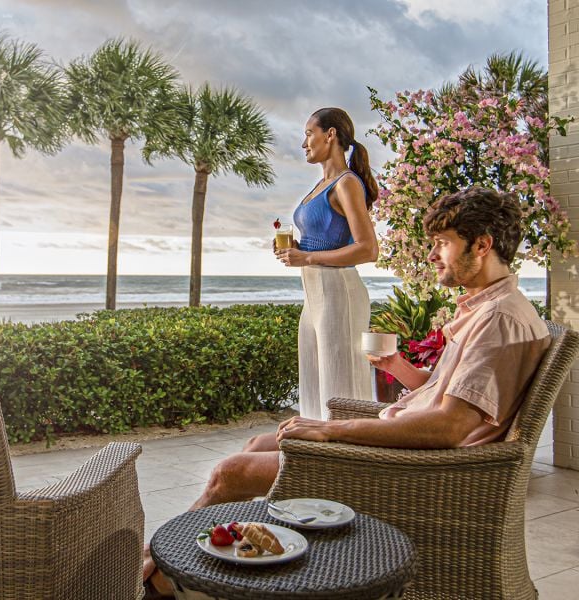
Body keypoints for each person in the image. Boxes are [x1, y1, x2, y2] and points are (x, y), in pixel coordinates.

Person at [143, 186, 551, 598]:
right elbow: (450, 395)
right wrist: (399, 368)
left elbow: (450, 426)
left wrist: (330, 431)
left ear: (482, 245)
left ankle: (158, 575)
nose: (432, 256)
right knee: (257, 442)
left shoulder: (499, 319)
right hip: (413, 452)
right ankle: (207, 564)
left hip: (420, 472)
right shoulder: (491, 307)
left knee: (231, 472)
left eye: (442, 244)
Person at [275, 107, 379, 421]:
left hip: (338, 293)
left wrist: (307, 257)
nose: (304, 142)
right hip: (314, 296)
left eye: (309, 133)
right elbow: (324, 237)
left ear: (330, 134)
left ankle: (349, 462)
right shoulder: (321, 186)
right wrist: (298, 249)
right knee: (313, 386)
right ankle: (314, 458)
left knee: (340, 390)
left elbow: (368, 249)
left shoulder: (346, 183)